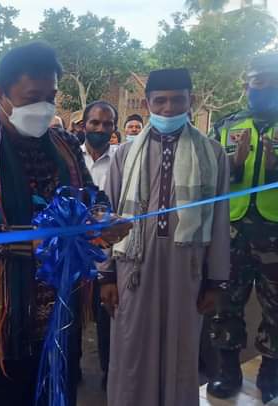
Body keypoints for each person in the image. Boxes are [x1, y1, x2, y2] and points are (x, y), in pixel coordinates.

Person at [0, 42, 130, 406]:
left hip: (58, 313)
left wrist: (102, 218)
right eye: (32, 97)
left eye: (50, 97)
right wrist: (26, 242)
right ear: (0, 95)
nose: (44, 107)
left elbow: (92, 196)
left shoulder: (65, 146)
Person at [99, 68, 231, 406]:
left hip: (186, 270)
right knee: (131, 348)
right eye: (160, 101)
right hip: (133, 270)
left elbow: (219, 219)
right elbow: (107, 218)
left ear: (192, 101)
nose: (168, 108)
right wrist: (106, 275)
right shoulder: (124, 154)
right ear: (147, 104)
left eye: (177, 100)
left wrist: (215, 281)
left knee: (181, 351)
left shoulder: (212, 153)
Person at [207, 53, 278, 404]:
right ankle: (227, 371)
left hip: (274, 234)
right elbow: (210, 176)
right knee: (226, 304)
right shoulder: (227, 125)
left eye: (273, 81)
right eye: (258, 80)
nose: (265, 87)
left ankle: (270, 373)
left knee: (275, 307)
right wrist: (233, 164)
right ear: (246, 84)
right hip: (231, 232)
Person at [81, 100, 119, 390]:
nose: (100, 129)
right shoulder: (70, 156)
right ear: (84, 124)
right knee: (70, 316)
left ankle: (110, 372)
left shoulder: (122, 159)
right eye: (94, 122)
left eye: (107, 124)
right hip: (73, 255)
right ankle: (70, 369)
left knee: (108, 316)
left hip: (108, 254)